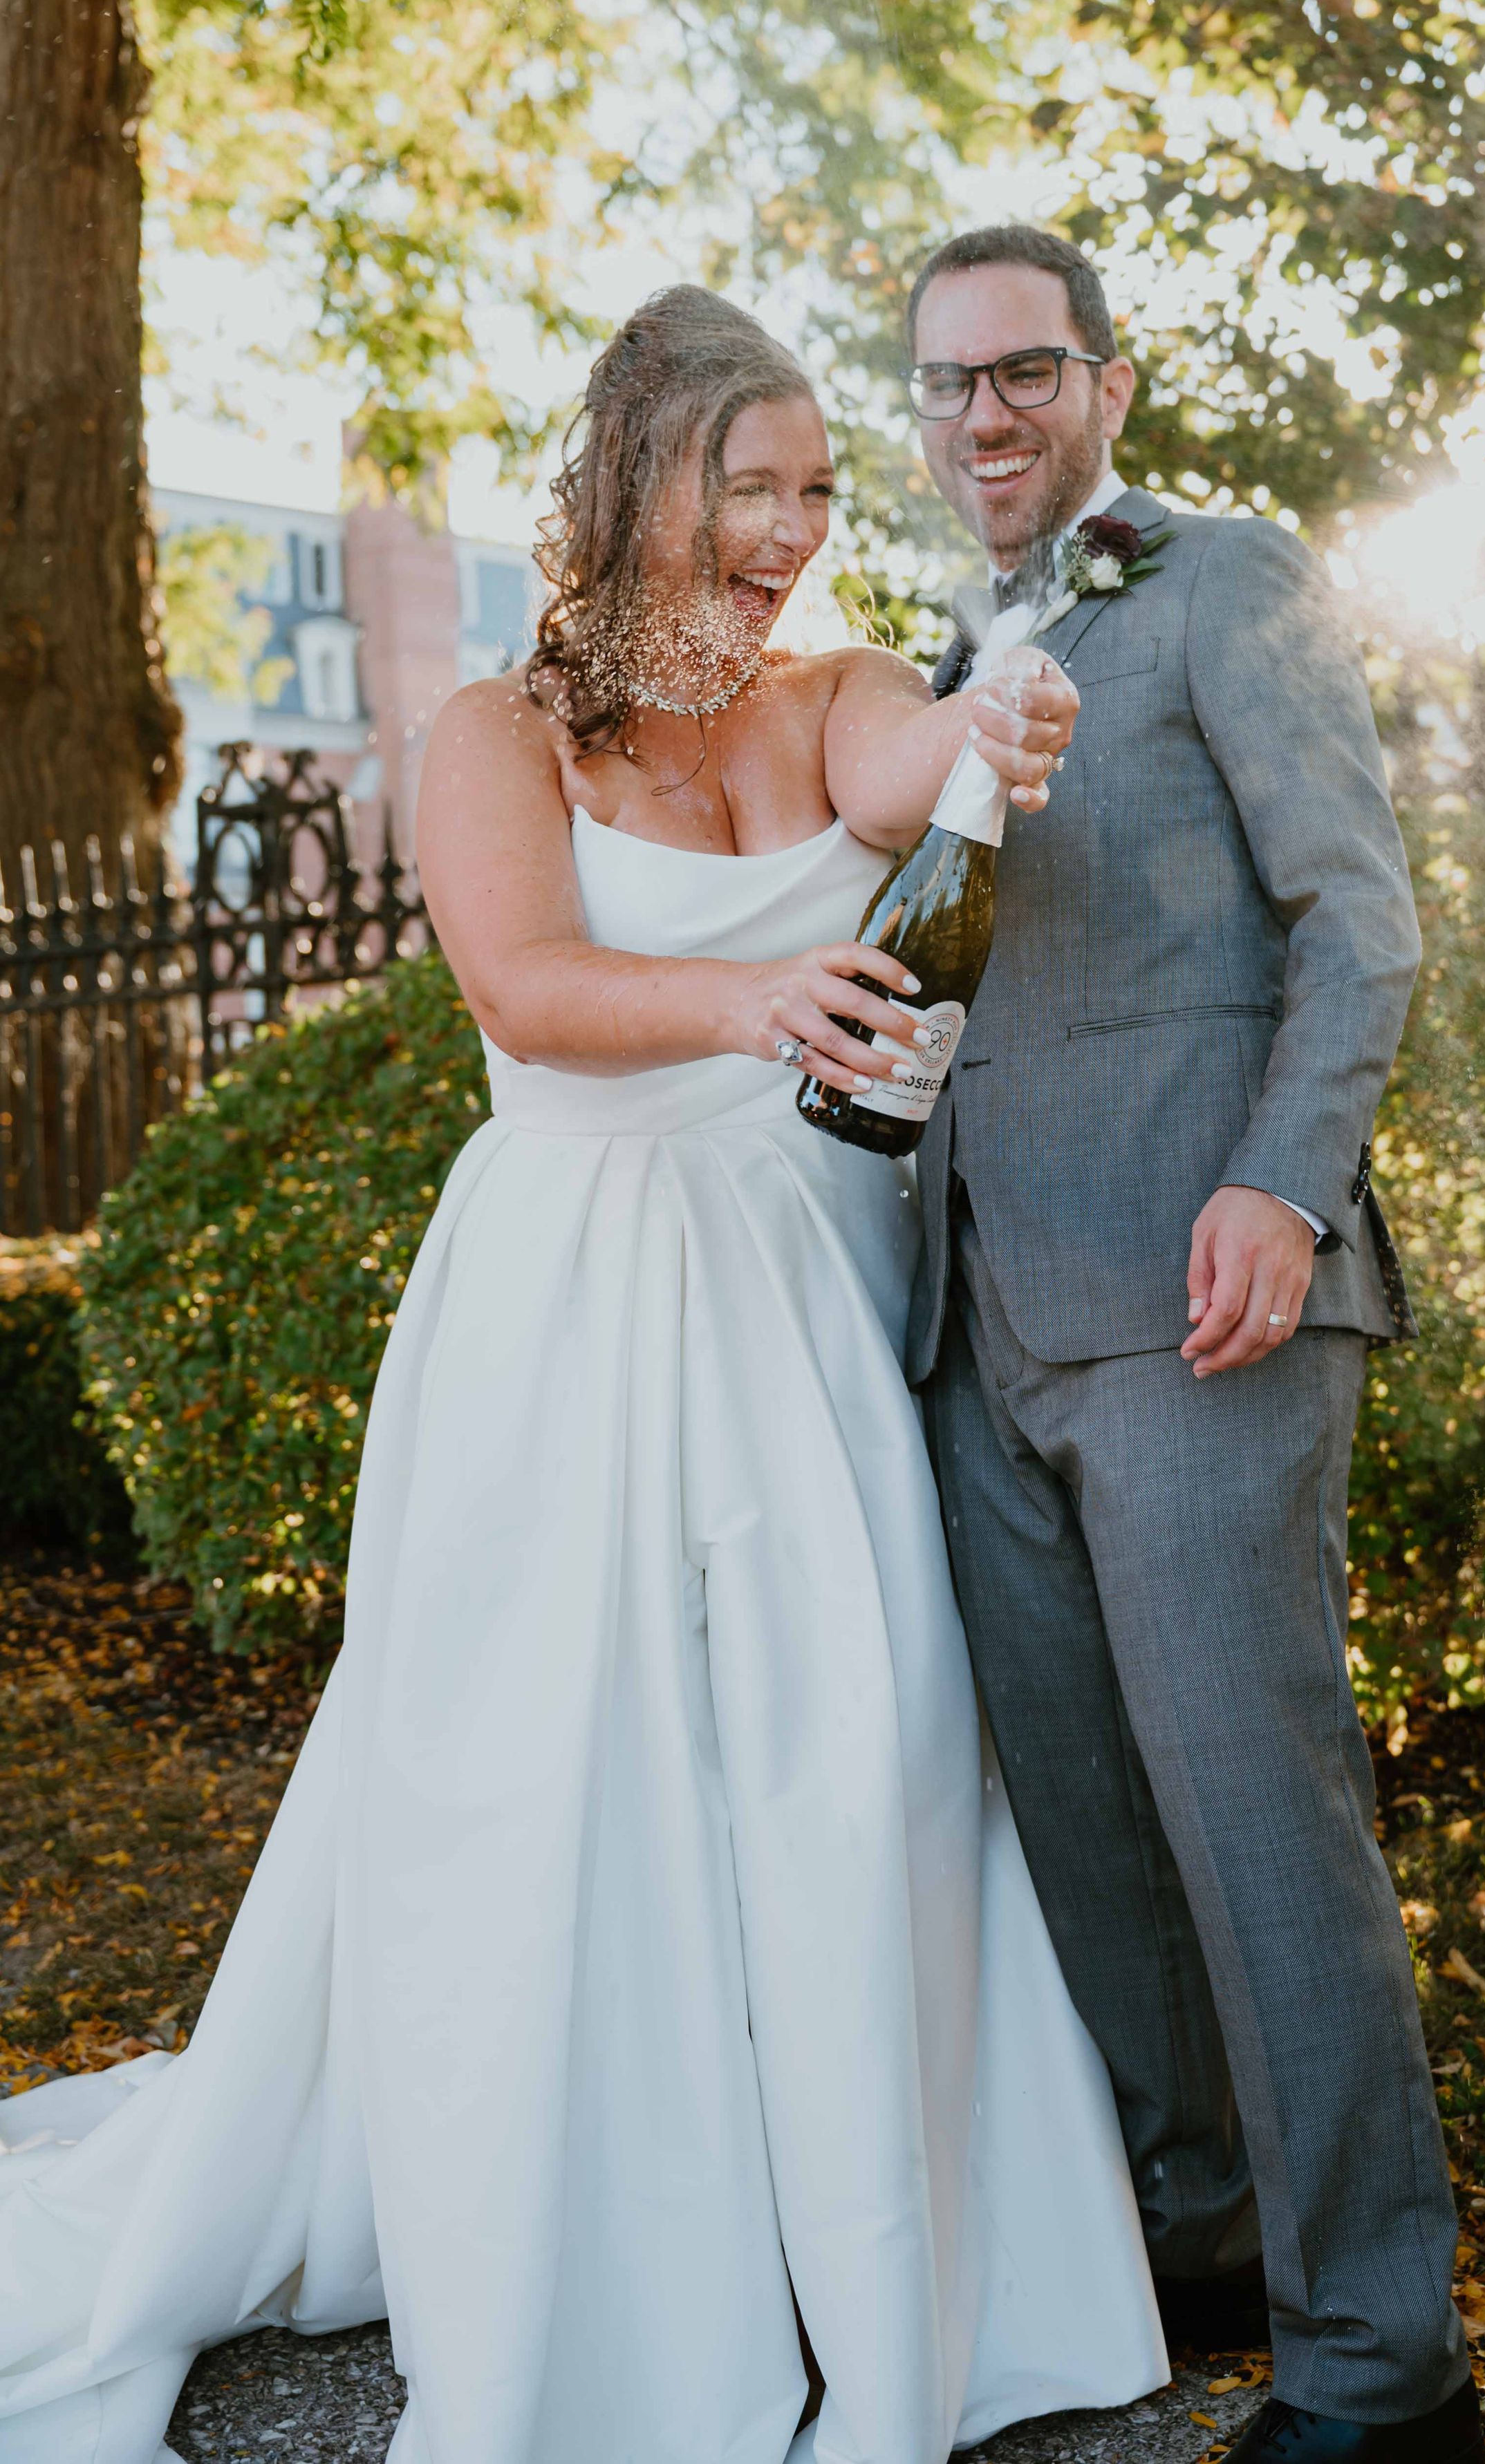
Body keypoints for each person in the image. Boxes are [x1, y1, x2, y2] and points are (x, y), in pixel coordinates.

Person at [0, 287, 1166, 2464]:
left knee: (852, 1756)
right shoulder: (496, 733)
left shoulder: (835, 694)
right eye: (755, 488)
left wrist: (997, 714)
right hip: (572, 1294)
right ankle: (597, 2247)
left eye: (819, 490)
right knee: (556, 1770)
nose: (797, 529)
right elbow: (527, 990)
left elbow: (914, 764)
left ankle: (869, 2243)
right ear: (640, 485)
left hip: (802, 1297)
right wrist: (750, 1006)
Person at [903, 224, 1483, 2464]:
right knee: (1087, 1828)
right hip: (979, 1324)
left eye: (1026, 371)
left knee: (1255, 1823)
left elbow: (1359, 915)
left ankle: (1379, 2369)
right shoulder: (939, 656)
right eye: (948, 382)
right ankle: (1207, 2229)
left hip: (1204, 1300)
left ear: (1108, 383)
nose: (985, 415)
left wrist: (1282, 1182)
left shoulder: (1222, 579)